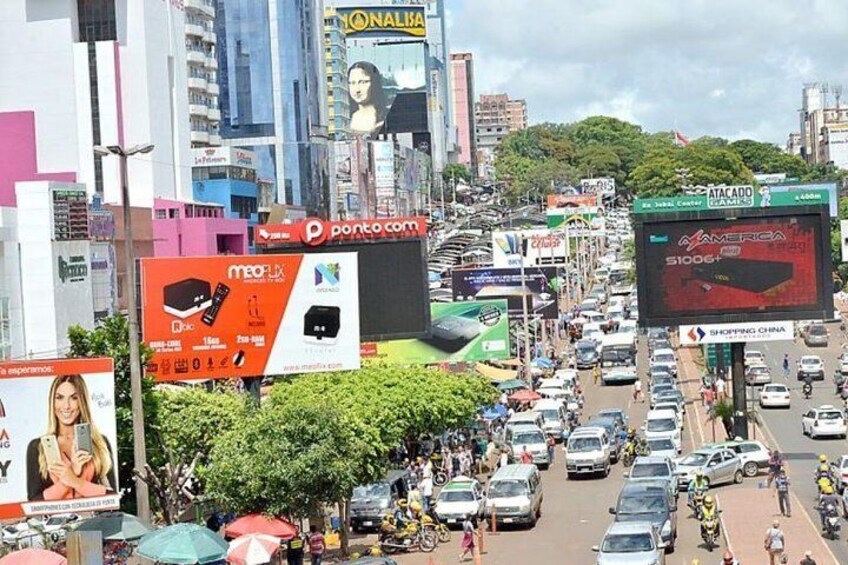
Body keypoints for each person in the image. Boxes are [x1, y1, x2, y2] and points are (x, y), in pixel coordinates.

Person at [27, 374, 117, 501]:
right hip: (55, 521)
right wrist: (73, 471)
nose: (66, 406)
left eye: (74, 398)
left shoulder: (100, 443)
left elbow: (112, 498)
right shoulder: (37, 447)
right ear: (52, 402)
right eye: (59, 398)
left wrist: (75, 481)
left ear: (82, 402)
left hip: (94, 520)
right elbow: (34, 501)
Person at [348, 62, 388, 135]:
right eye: (352, 83)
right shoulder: (347, 119)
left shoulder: (385, 118)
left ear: (374, 83)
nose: (357, 90)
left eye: (363, 82)